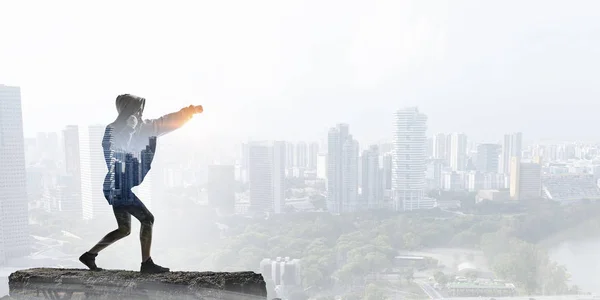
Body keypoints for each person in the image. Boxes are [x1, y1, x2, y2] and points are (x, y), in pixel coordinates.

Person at [79, 94, 202, 273]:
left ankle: (89, 255)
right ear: (126, 110)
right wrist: (128, 130)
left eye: (140, 109)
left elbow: (167, 121)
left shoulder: (146, 128)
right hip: (117, 185)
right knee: (147, 219)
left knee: (124, 229)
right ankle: (146, 264)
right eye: (135, 109)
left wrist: (189, 112)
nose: (138, 112)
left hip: (120, 186)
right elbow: (112, 154)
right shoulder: (113, 129)